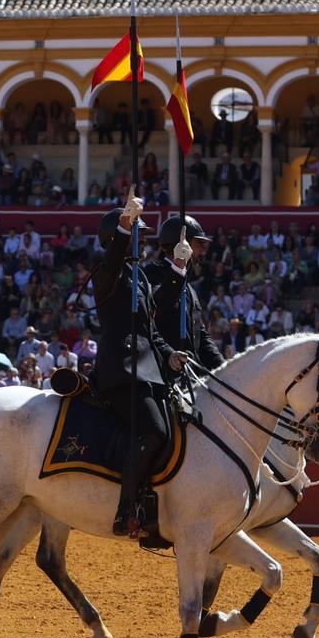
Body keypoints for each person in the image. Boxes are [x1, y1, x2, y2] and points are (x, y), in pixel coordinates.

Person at [92, 192, 187, 538]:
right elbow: (113, 259)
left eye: (143, 236)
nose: (143, 242)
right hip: (121, 368)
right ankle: (125, 509)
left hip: (149, 369)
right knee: (153, 431)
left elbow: (150, 327)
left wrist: (177, 270)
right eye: (139, 235)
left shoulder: (141, 278)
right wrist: (123, 226)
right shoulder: (107, 273)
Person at [147, 214, 225, 372]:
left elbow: (201, 336)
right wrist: (178, 267)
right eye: (199, 244)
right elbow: (159, 305)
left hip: (192, 373)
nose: (203, 251)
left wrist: (224, 368)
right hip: (163, 372)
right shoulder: (151, 274)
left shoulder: (189, 288)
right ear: (182, 244)